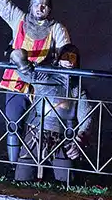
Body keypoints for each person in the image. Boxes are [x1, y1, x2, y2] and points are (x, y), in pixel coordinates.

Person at [0, 0, 71, 166]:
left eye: (44, 6)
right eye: (36, 4)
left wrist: (65, 59)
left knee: (44, 128)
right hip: (16, 81)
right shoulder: (18, 19)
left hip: (43, 84)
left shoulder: (57, 29)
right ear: (30, 6)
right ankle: (14, 166)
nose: (40, 8)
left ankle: (37, 166)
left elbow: (66, 50)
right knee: (13, 124)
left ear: (49, 9)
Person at [16, 44, 94, 182]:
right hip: (36, 131)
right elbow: (27, 74)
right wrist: (20, 59)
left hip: (63, 137)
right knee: (23, 177)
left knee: (67, 180)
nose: (69, 60)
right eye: (66, 56)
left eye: (73, 57)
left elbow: (86, 117)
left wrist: (79, 139)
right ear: (59, 58)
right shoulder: (45, 76)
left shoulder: (77, 88)